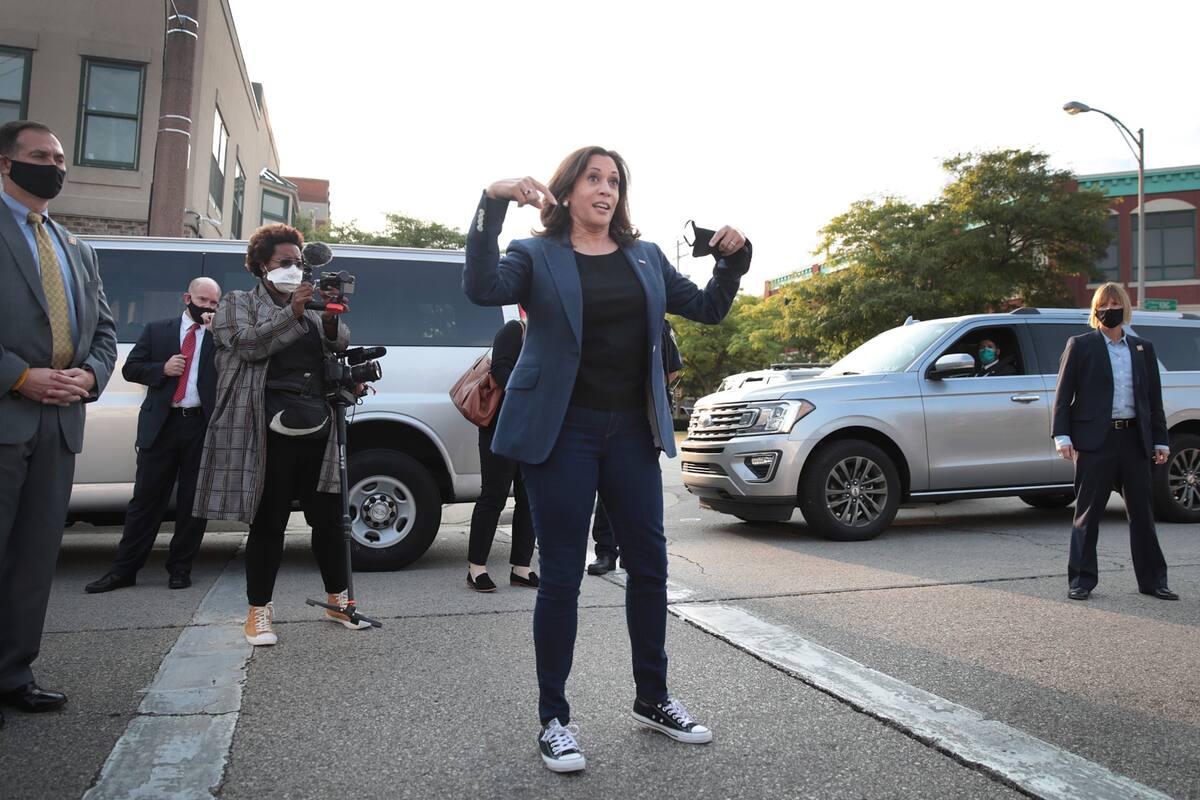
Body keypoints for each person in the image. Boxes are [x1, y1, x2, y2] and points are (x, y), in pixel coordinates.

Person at [464, 146, 750, 773]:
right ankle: (555, 720)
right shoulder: (535, 255)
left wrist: (733, 259)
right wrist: (492, 201)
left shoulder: (644, 257)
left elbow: (706, 307)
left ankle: (653, 698)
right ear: (567, 191)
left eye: (615, 180)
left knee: (649, 563)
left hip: (630, 432)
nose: (606, 189)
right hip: (560, 431)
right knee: (562, 573)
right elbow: (482, 286)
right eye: (593, 178)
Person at [192, 223, 370, 646]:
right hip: (264, 427)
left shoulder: (309, 305)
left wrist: (328, 316)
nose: (293, 269)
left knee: (329, 520)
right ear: (260, 266)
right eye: (283, 262)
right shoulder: (238, 303)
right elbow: (249, 345)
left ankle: (339, 601)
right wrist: (292, 312)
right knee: (269, 522)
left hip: (319, 425)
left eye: (298, 262)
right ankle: (258, 613)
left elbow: (340, 343)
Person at [0, 120, 117, 727]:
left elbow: (103, 332)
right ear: (6, 164)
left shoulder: (77, 247)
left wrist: (90, 376)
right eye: (40, 155)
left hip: (61, 422)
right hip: (8, 412)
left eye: (60, 157)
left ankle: (14, 673)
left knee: (34, 557)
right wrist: (20, 376)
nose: (54, 165)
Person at [85, 278, 221, 593]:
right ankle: (124, 570)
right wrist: (162, 369)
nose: (208, 307)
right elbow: (131, 369)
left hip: (200, 426)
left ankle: (180, 569)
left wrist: (221, 335)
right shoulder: (158, 329)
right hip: (162, 425)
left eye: (214, 303)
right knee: (146, 501)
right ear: (187, 297)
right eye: (203, 300)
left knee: (192, 504)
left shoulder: (221, 337)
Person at [1052, 282, 1177, 602]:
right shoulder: (1080, 345)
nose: (1110, 308)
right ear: (1096, 309)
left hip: (1135, 440)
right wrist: (1061, 435)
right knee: (1087, 514)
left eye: (1115, 302)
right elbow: (1063, 394)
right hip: (1096, 441)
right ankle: (1081, 580)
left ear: (1125, 306)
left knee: (1143, 516)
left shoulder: (1142, 348)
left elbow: (1153, 400)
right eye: (1104, 303)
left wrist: (1160, 440)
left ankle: (1153, 581)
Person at [588, 318, 683, 576]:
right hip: (611, 415)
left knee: (632, 493)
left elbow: (671, 370)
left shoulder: (659, 324)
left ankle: (617, 553)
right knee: (611, 490)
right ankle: (612, 552)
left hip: (642, 418)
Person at [467, 316, 537, 592]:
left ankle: (521, 567)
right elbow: (500, 372)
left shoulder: (547, 337)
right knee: (494, 495)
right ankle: (476, 569)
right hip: (502, 426)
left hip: (531, 428)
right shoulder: (514, 330)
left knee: (528, 498)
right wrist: (532, 391)